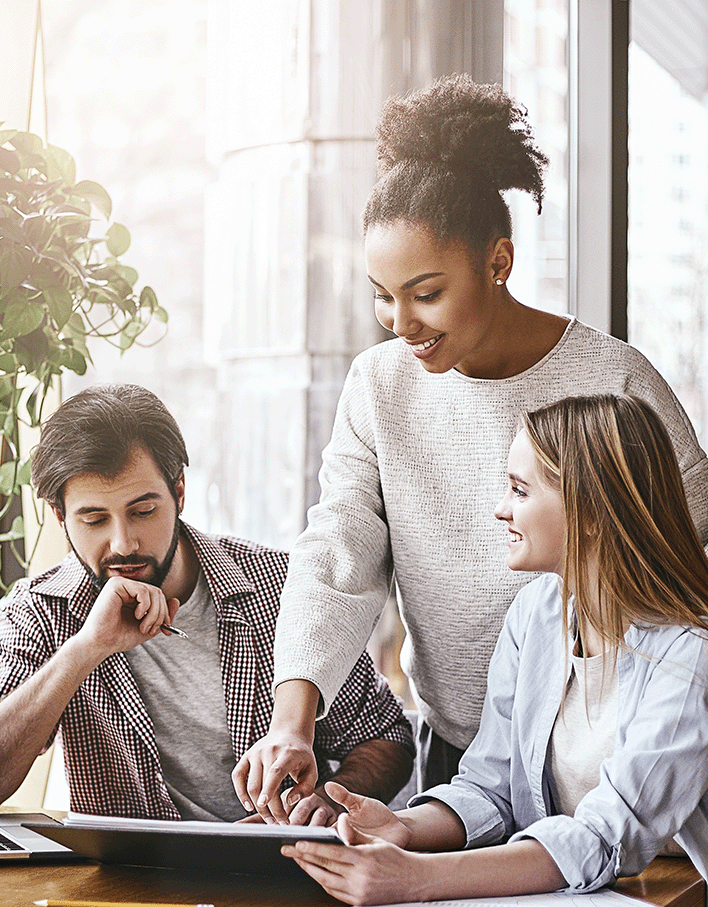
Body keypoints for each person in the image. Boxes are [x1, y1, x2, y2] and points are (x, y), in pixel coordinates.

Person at [232, 72, 708, 822]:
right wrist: (293, 720)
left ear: (499, 262)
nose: (400, 320)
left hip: (615, 758)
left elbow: (692, 553)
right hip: (467, 763)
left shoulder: (613, 377)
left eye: (425, 292)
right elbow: (337, 555)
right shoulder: (379, 386)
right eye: (381, 294)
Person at [282, 394, 708, 904]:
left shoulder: (690, 653)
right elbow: (490, 788)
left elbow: (606, 837)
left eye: (520, 490)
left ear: (592, 510)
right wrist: (403, 827)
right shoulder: (536, 616)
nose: (501, 509)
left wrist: (413, 879)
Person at [0, 384, 414, 824]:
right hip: (131, 889)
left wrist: (325, 803)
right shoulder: (41, 610)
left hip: (277, 872)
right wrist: (83, 651)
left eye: (143, 511)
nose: (123, 542)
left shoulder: (281, 587)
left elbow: (386, 736)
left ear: (178, 493)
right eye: (94, 519)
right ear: (60, 516)